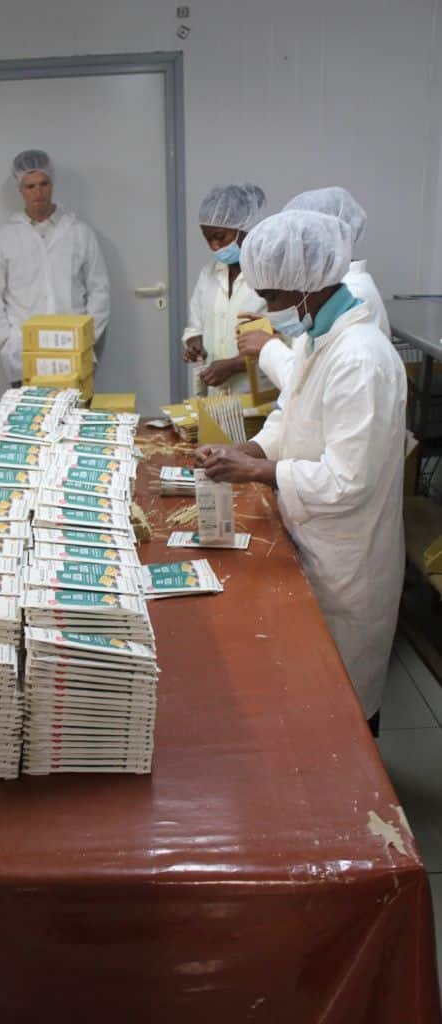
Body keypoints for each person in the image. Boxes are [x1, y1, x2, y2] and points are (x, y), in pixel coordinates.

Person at [196, 210, 406, 735]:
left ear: (306, 288)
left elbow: (346, 481)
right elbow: (295, 412)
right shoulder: (320, 336)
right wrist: (250, 447)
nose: (268, 312)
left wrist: (261, 472)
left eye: (271, 299)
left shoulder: (360, 359)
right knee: (312, 702)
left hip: (347, 562)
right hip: (313, 538)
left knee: (346, 718)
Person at [238, 186, 389, 393]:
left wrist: (269, 346)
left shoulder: (357, 354)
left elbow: (304, 384)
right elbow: (305, 387)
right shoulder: (319, 307)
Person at [0, 150, 110, 385]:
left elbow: (99, 289)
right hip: (24, 355)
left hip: (72, 352)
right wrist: (7, 339)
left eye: (44, 184)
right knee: (32, 421)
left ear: (52, 184)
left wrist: (86, 338)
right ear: (20, 190)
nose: (38, 192)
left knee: (75, 420)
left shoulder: (78, 232)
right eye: (30, 187)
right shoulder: (5, 238)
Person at [182, 183, 267, 393]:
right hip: (217, 395)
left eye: (220, 237)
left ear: (245, 228)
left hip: (258, 393)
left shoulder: (269, 274)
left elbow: (283, 341)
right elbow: (196, 325)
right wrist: (195, 344)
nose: (214, 246)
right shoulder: (208, 273)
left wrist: (233, 365)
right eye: (208, 238)